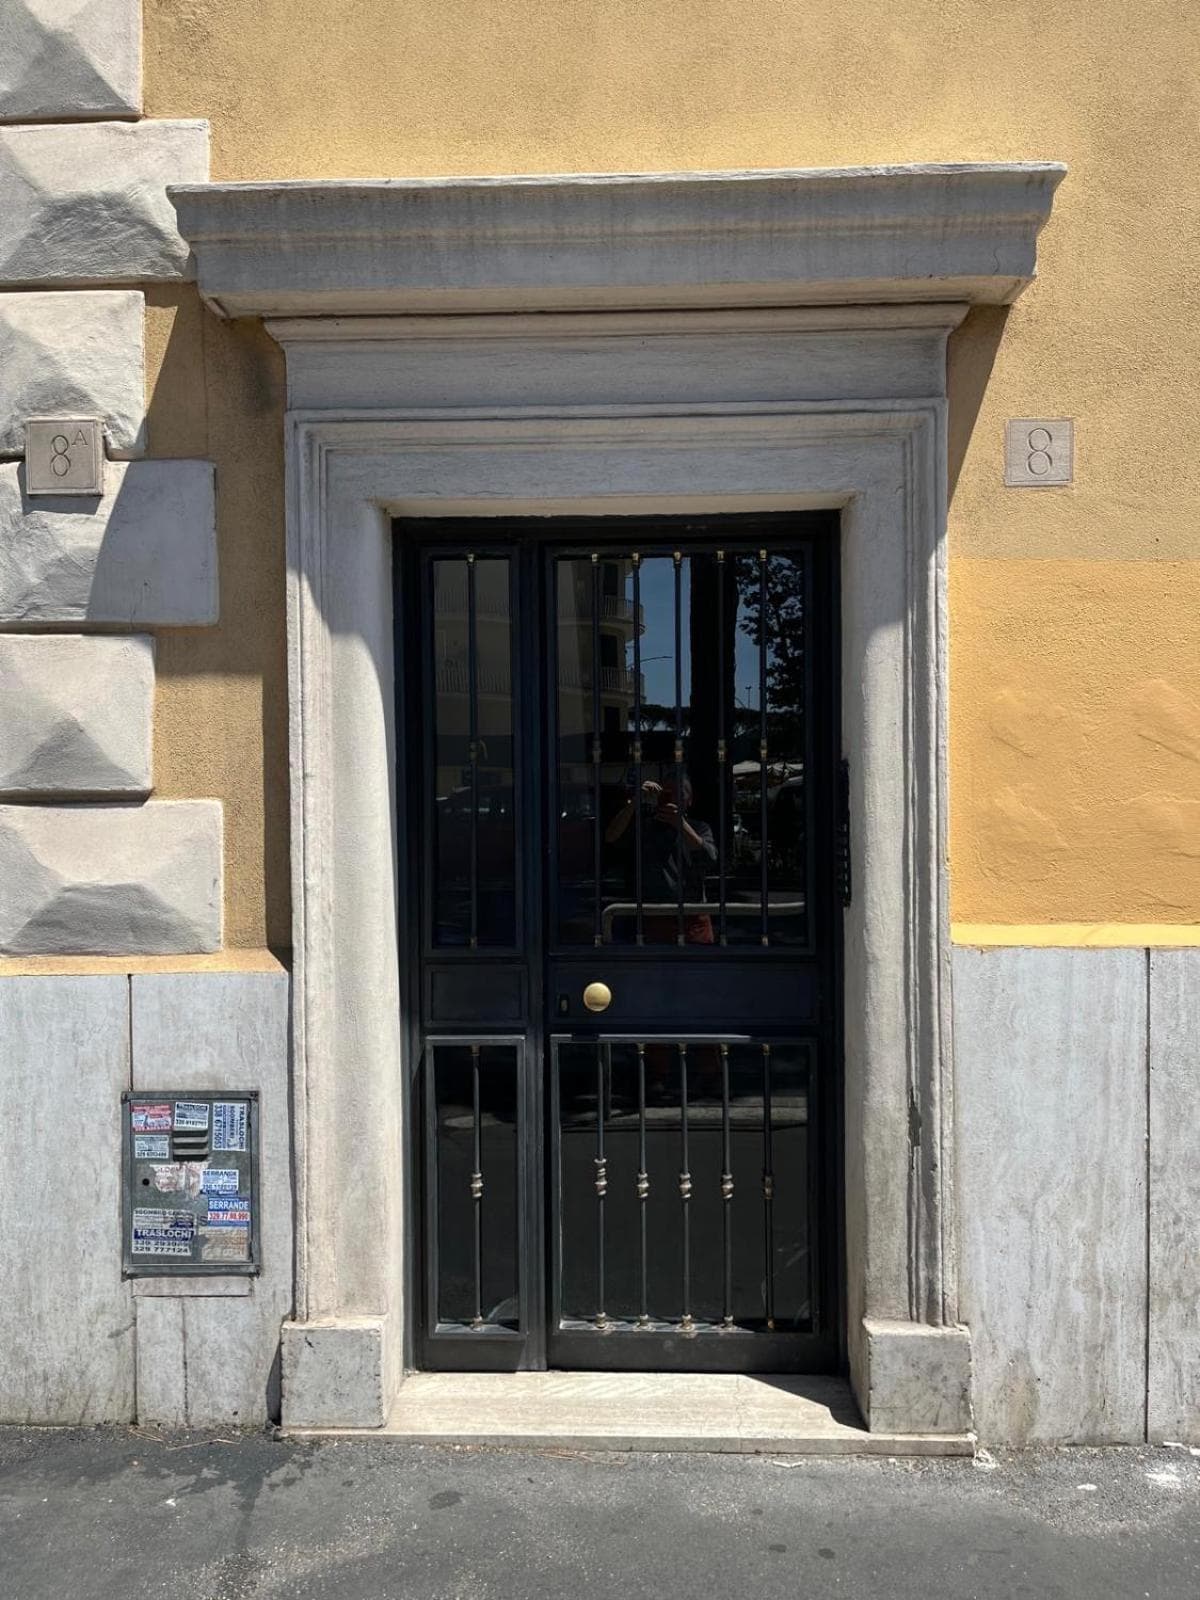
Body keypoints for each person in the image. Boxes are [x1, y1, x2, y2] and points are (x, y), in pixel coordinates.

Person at [604, 774, 717, 943]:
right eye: (667, 793)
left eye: (679, 793)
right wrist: (635, 802)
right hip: (653, 917)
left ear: (689, 800)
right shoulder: (646, 826)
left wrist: (681, 824)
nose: (673, 798)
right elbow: (611, 837)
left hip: (693, 920)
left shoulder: (699, 827)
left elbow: (709, 858)